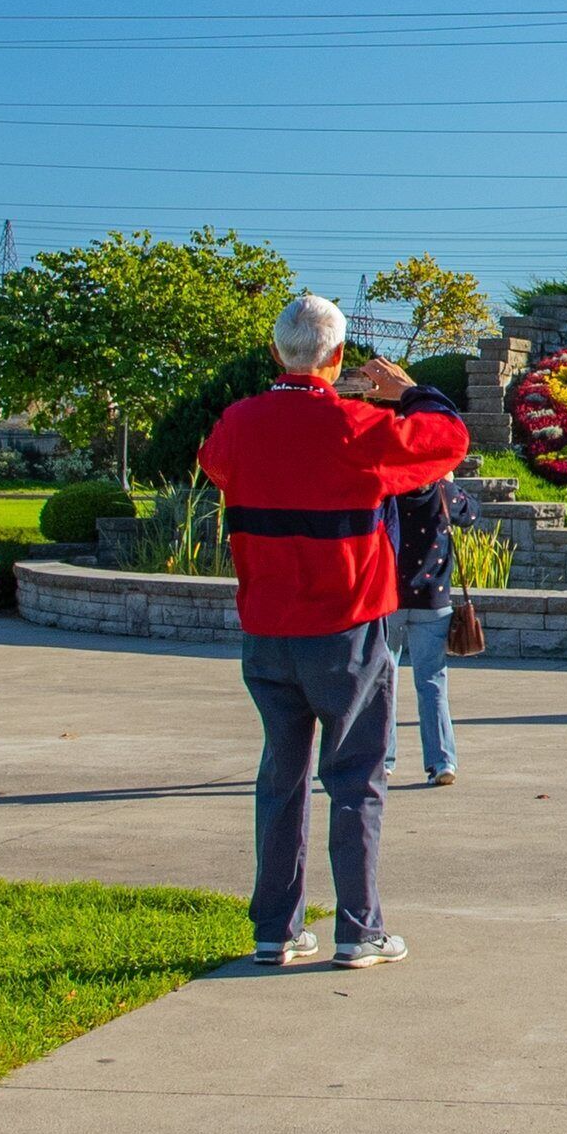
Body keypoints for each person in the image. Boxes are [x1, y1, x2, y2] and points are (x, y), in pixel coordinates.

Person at [199, 295, 470, 970]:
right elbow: (447, 443)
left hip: (268, 629)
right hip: (346, 629)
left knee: (280, 780)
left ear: (275, 353)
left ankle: (276, 929)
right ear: (339, 356)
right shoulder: (357, 426)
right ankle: (358, 928)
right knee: (356, 780)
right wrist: (411, 393)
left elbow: (215, 465)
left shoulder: (238, 424)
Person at [384, 438, 483, 787]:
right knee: (432, 684)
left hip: (390, 599)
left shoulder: (389, 490)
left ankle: (383, 760)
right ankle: (442, 762)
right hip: (433, 601)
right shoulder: (444, 492)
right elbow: (472, 514)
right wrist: (451, 479)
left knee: (384, 683)